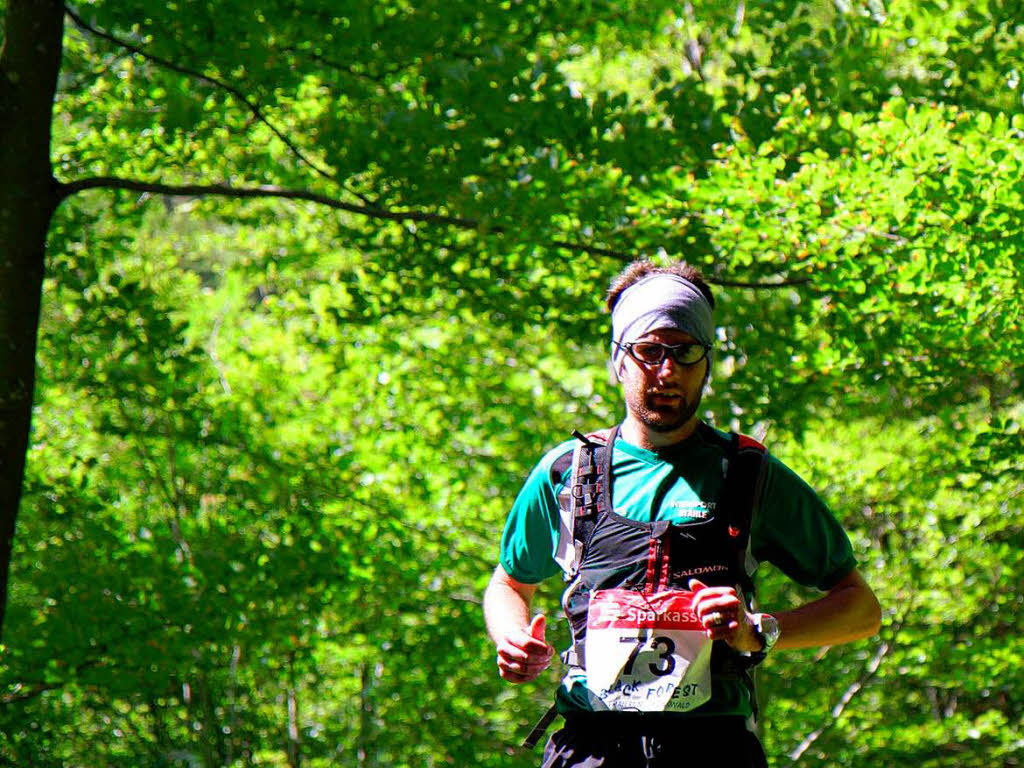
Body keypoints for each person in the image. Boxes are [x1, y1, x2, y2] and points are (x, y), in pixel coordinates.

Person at [483, 260, 881, 767]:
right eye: (649, 351)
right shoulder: (569, 471)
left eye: (686, 351)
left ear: (707, 362)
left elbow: (861, 609)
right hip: (589, 746)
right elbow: (509, 584)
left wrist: (759, 630)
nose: (667, 370)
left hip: (712, 749)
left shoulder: (749, 473)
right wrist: (514, 637)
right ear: (618, 360)